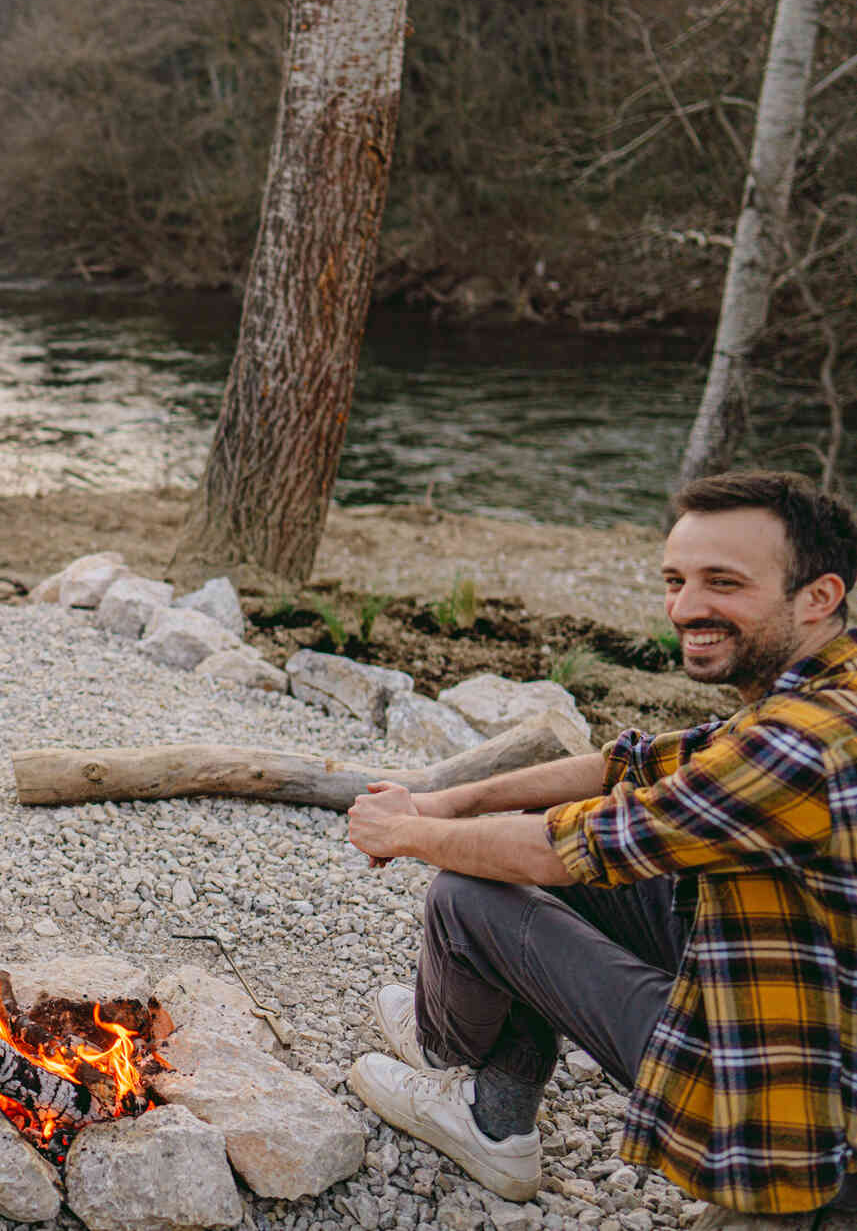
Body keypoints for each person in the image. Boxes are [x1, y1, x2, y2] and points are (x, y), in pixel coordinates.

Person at [345, 470, 857, 1231]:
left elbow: (562, 852)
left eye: (722, 582)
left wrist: (409, 832)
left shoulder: (799, 742)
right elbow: (631, 760)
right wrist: (445, 799)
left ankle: (473, 1096)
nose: (685, 608)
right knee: (498, 845)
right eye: (674, 581)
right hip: (791, 983)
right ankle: (449, 1038)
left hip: (792, 1104)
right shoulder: (823, 692)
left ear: (817, 596)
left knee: (469, 892)